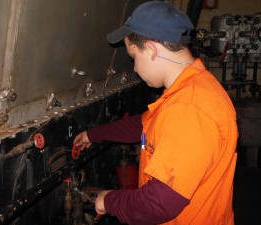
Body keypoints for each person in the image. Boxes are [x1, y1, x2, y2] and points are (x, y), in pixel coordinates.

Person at [73, 1, 238, 225]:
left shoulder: (190, 107)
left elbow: (159, 203)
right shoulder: (190, 87)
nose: (135, 68)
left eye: (134, 58)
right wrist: (94, 135)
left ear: (150, 49)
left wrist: (109, 201)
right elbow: (144, 125)